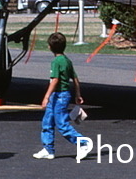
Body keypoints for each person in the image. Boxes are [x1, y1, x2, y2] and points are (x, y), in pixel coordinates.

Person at [32, 32, 92, 160]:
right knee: (47, 121)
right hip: (59, 96)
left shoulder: (56, 62)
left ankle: (83, 143)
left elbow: (55, 80)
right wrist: (78, 94)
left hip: (59, 96)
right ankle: (48, 149)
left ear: (50, 47)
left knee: (61, 124)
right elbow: (75, 78)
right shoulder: (67, 60)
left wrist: (46, 97)